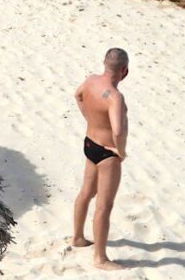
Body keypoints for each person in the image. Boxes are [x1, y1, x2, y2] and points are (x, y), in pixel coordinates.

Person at [72, 48, 130, 271]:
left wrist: (88, 116)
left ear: (105, 64)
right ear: (124, 70)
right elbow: (117, 131)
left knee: (86, 192)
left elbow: (77, 95)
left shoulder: (91, 81)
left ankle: (77, 237)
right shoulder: (115, 97)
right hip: (107, 152)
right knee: (104, 206)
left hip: (90, 143)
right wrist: (121, 151)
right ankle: (100, 258)